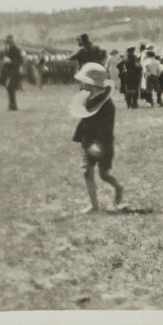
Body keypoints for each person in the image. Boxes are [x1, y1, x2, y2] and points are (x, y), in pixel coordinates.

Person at [70, 63, 123, 213]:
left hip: (103, 143)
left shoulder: (107, 105)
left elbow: (106, 128)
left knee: (104, 174)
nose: (81, 84)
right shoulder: (86, 99)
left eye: (83, 81)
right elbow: (84, 119)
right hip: (88, 142)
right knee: (87, 171)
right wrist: (82, 139)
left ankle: (118, 187)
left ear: (92, 84)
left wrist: (98, 144)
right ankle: (94, 206)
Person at [0, 34, 24, 110]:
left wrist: (11, 61)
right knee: (9, 88)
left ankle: (13, 105)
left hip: (14, 72)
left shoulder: (17, 50)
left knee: (11, 87)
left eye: (10, 42)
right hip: (6, 72)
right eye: (8, 42)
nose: (9, 43)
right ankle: (12, 105)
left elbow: (21, 61)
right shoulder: (4, 50)